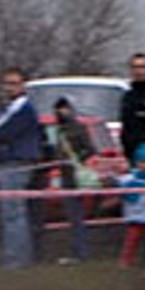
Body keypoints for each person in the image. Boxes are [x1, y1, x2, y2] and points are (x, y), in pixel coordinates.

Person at [0, 66, 42, 269]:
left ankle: (16, 260)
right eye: (7, 83)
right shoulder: (8, 108)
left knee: (13, 213)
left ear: (23, 85)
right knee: (13, 212)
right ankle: (16, 258)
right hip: (8, 162)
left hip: (15, 163)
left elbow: (0, 133)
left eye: (14, 83)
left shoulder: (23, 108)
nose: (9, 88)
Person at [46, 96, 95, 264]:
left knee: (76, 215)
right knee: (72, 216)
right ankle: (76, 251)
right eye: (58, 109)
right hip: (65, 175)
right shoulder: (59, 130)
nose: (61, 112)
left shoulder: (77, 127)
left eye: (64, 108)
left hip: (75, 176)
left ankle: (81, 253)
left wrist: (76, 160)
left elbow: (89, 150)